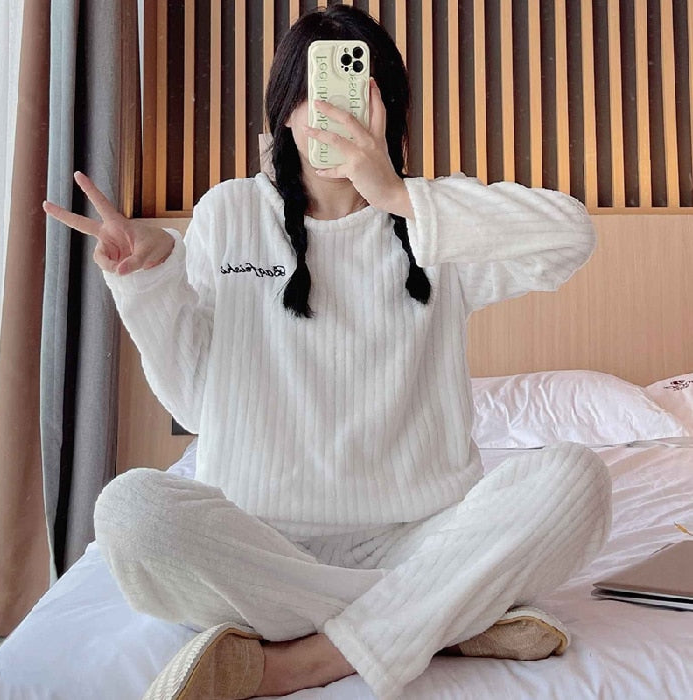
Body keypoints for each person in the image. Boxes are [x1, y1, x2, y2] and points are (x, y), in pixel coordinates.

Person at [43, 5, 611, 700]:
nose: (332, 113)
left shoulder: (434, 217)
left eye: (354, 92)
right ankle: (444, 613)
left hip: (418, 533)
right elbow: (195, 407)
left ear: (388, 110)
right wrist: (150, 281)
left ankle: (303, 660)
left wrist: (397, 195)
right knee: (131, 512)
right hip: (259, 540)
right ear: (284, 109)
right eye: (315, 90)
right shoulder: (231, 212)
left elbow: (571, 236)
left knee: (575, 478)